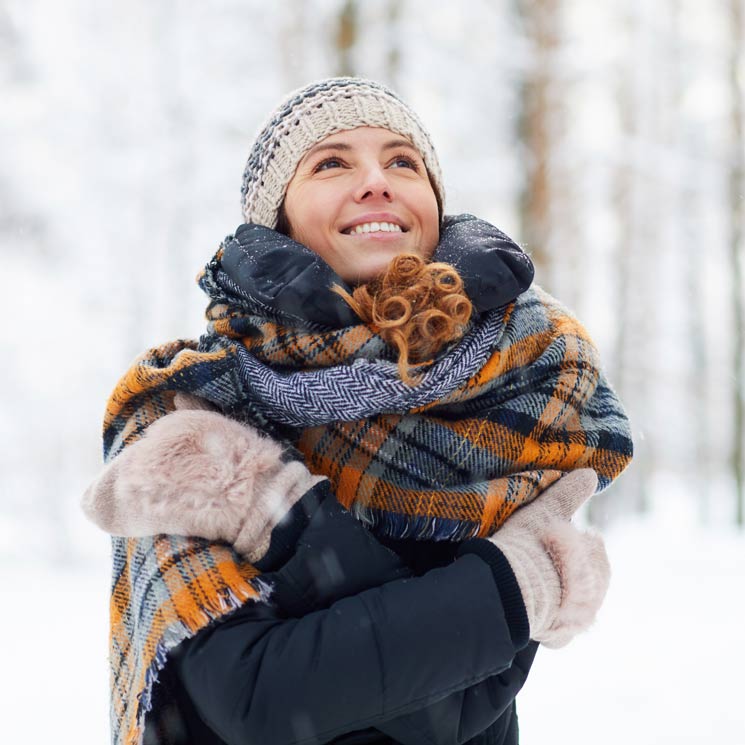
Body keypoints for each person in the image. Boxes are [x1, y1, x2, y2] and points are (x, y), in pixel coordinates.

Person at [83, 78, 633, 745]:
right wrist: (514, 587)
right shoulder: (188, 403)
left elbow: (459, 711)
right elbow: (258, 698)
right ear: (276, 218)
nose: (377, 181)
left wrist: (278, 517)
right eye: (331, 162)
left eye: (403, 161)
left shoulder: (513, 385)